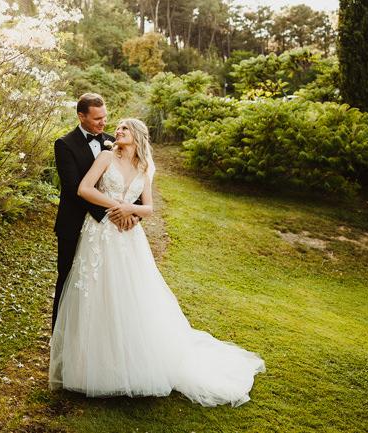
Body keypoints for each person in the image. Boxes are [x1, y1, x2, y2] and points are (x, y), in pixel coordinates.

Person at [47, 118, 265, 407]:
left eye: (124, 129)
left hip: (127, 236)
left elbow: (149, 207)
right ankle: (88, 365)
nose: (117, 131)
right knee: (94, 292)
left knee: (129, 295)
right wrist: (117, 206)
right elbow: (84, 189)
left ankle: (128, 360)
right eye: (119, 128)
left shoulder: (145, 167)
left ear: (136, 136)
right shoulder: (105, 156)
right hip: (99, 233)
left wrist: (131, 210)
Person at [52, 93, 139, 330]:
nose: (103, 123)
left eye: (105, 117)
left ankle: (95, 333)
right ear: (81, 116)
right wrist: (109, 213)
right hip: (75, 223)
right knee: (68, 279)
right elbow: (73, 188)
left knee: (103, 283)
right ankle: (59, 336)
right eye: (97, 118)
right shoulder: (64, 144)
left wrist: (133, 213)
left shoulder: (113, 142)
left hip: (109, 229)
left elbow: (131, 182)